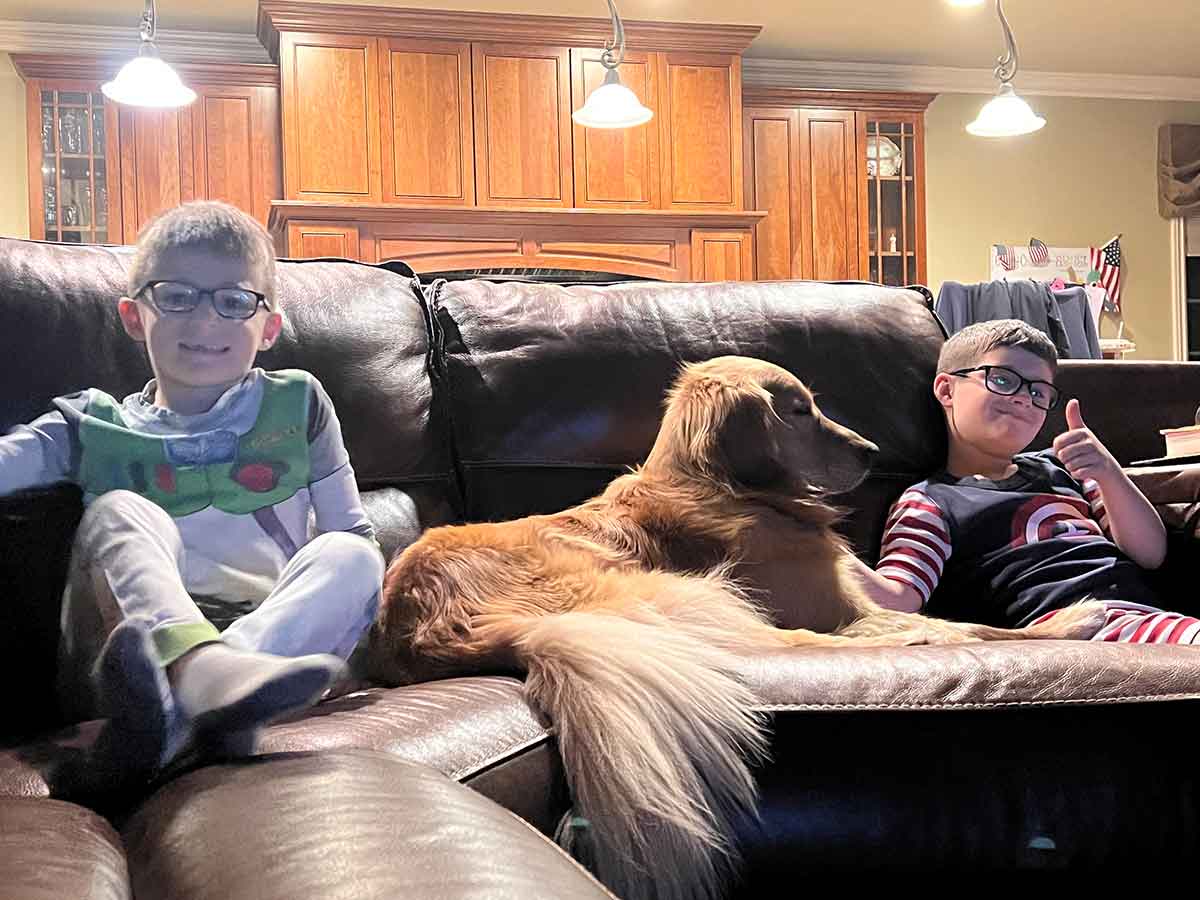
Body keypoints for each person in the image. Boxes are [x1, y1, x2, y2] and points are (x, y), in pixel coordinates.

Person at [0, 200, 384, 783]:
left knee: (353, 555)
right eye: (176, 296)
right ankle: (198, 682)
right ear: (134, 316)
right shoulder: (91, 425)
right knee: (121, 510)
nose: (206, 322)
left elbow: (349, 531)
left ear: (269, 326)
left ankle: (173, 729)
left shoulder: (299, 403)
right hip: (123, 660)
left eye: (234, 302)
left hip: (264, 653)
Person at [855, 319, 1197, 643]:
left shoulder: (1063, 467)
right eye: (1002, 380)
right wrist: (814, 543)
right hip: (1069, 631)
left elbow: (1151, 553)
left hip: (1150, 618)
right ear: (947, 390)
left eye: (1039, 392)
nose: (1023, 398)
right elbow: (897, 599)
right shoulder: (929, 501)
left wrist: (1109, 472)